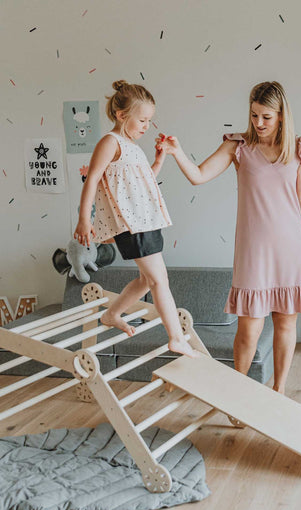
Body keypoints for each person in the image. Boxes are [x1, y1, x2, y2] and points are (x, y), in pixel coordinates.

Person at [156, 81, 301, 393]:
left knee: (286, 324)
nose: (258, 123)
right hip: (254, 251)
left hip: (292, 247)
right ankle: (239, 392)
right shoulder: (238, 147)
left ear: (282, 116)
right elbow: (199, 175)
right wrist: (177, 152)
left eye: (266, 117)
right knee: (249, 330)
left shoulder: (300, 149)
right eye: (254, 115)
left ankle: (279, 391)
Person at [74, 80, 198, 358]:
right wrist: (84, 218)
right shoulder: (111, 142)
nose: (146, 126)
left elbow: (144, 184)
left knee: (146, 280)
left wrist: (159, 159)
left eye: (149, 121)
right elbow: (92, 179)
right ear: (121, 116)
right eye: (142, 120)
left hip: (146, 221)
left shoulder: (133, 147)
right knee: (159, 280)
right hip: (132, 225)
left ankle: (112, 314)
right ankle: (176, 338)